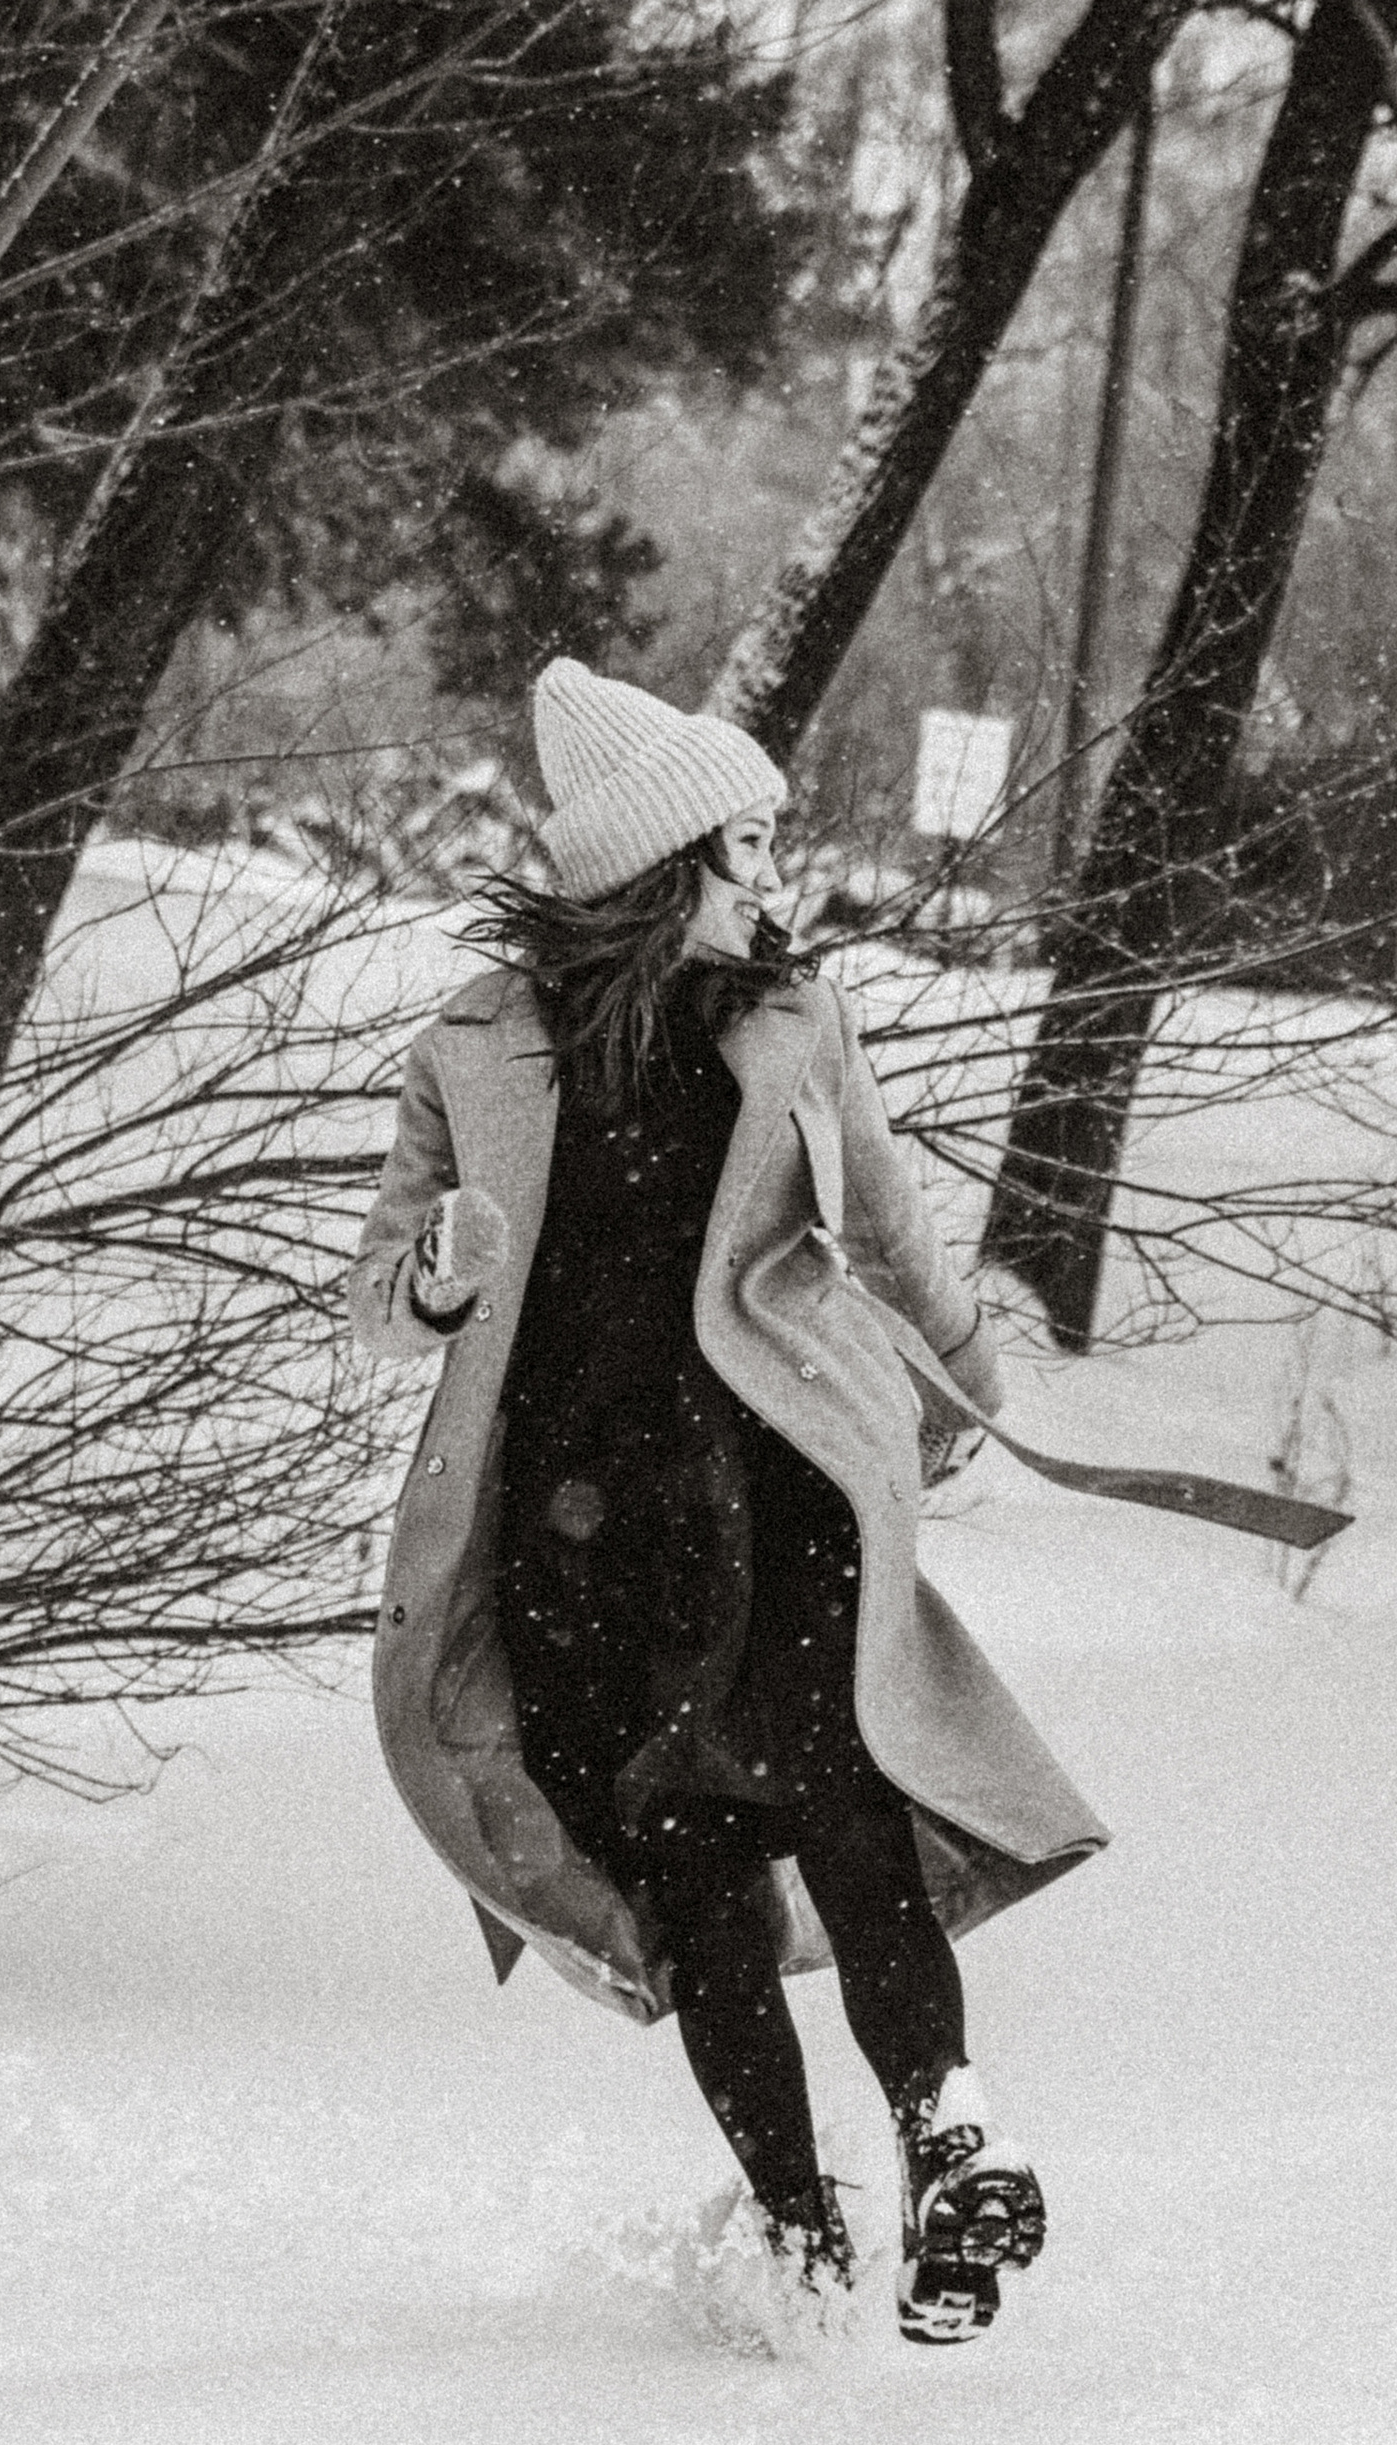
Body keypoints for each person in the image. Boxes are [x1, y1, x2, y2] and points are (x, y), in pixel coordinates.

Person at [347, 658, 1105, 2344]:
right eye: (745, 845)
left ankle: (949, 2148)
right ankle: (800, 2240)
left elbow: (894, 1229)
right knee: (694, 1888)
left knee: (844, 1804)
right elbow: (375, 1301)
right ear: (661, 862)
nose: (773, 877)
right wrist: (446, 1275)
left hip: (772, 1495)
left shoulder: (795, 1020)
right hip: (564, 1524)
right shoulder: (469, 1049)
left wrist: (973, 1392)